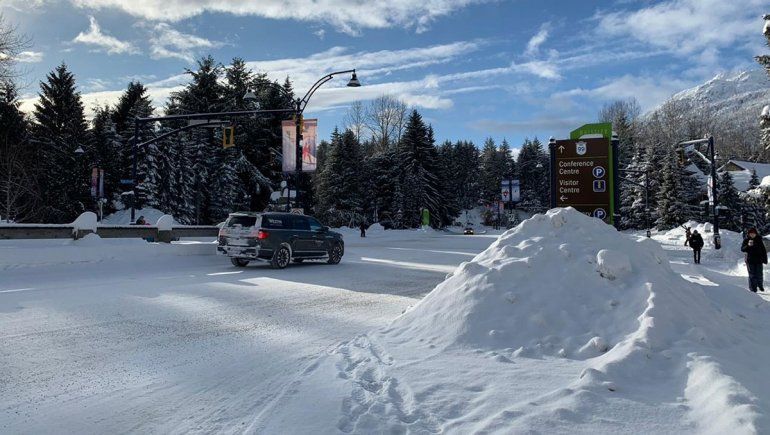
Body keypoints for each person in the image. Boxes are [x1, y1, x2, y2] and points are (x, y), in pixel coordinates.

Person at [741, 228, 768, 293]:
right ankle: (753, 288)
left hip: (759, 260)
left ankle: (760, 285)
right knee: (752, 275)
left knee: (759, 274)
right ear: (749, 234)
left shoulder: (759, 240)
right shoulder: (746, 240)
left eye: (753, 233)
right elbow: (742, 249)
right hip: (750, 261)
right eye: (751, 233)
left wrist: (765, 259)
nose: (752, 235)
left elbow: (763, 250)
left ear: (756, 234)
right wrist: (748, 245)